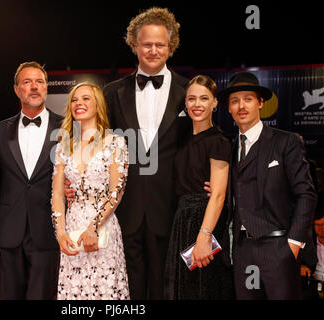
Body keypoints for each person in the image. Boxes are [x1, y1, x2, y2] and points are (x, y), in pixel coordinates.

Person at [100, 6, 192, 300]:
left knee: (168, 287)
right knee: (128, 287)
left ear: (171, 46)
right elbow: (97, 147)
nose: (153, 50)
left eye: (160, 44)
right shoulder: (111, 92)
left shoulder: (189, 91)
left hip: (171, 207)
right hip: (123, 208)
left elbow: (199, 146)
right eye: (147, 44)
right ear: (135, 45)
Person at [219, 71, 317, 299]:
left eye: (248, 99)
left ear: (260, 103)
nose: (241, 106)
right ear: (229, 109)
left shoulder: (286, 142)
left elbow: (306, 194)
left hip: (279, 248)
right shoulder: (230, 149)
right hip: (243, 252)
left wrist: (293, 244)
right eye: (235, 101)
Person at [0, 61, 62, 300]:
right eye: (27, 82)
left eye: (39, 82)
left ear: (47, 87)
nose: (34, 87)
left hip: (48, 230)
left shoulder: (67, 128)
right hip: (7, 232)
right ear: (17, 90)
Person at [51, 82, 130, 300]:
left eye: (86, 98)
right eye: (75, 100)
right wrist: (60, 233)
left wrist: (93, 228)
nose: (79, 103)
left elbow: (117, 191)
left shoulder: (116, 143)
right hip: (72, 229)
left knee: (104, 292)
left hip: (103, 227)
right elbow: (57, 193)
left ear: (98, 104)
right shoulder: (62, 146)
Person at [164, 75, 234, 299]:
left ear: (215, 102)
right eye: (192, 98)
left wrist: (204, 237)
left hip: (205, 221)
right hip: (181, 220)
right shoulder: (180, 139)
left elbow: (219, 195)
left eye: (204, 98)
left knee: (203, 289)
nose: (197, 104)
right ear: (185, 102)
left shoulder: (219, 142)